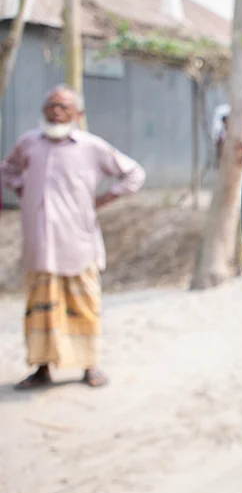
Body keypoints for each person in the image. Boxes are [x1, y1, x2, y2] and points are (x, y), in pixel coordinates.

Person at [1, 85, 146, 389]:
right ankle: (42, 368)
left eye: (63, 106)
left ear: (78, 114)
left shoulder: (91, 147)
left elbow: (134, 174)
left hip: (78, 243)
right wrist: (21, 188)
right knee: (40, 308)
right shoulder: (29, 143)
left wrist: (105, 199)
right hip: (40, 246)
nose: (56, 110)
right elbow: (8, 170)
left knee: (84, 305)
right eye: (51, 104)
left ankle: (89, 366)